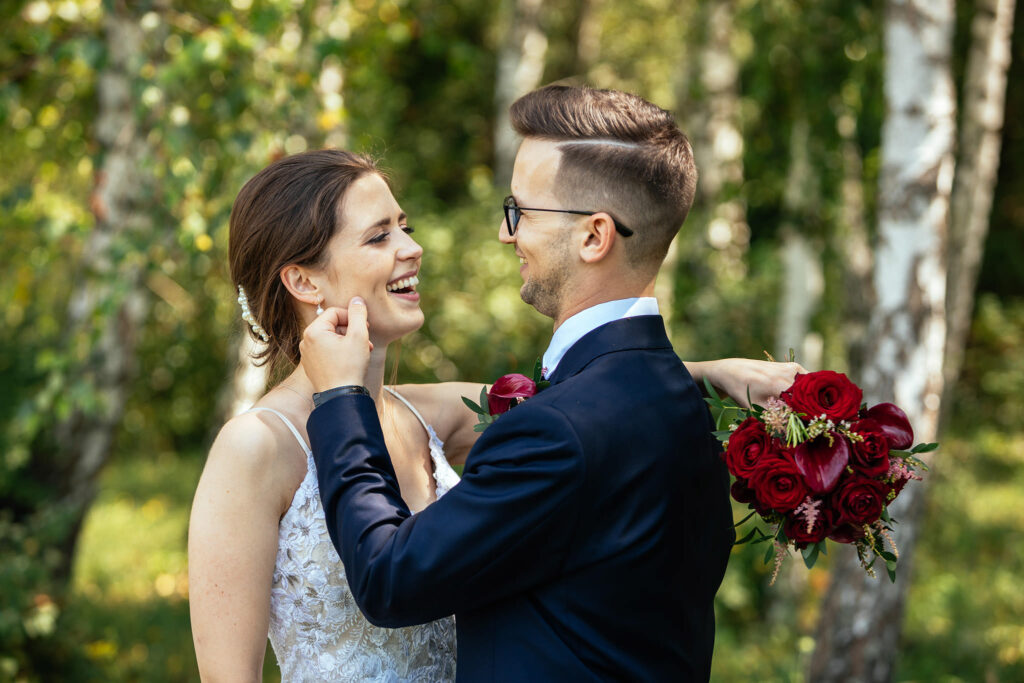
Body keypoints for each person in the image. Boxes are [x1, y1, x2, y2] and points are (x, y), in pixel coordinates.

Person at [189, 146, 800, 679]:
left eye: (404, 225)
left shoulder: (433, 412)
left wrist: (709, 372)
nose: (412, 247)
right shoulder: (256, 448)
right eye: (380, 237)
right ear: (303, 281)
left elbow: (591, 406)